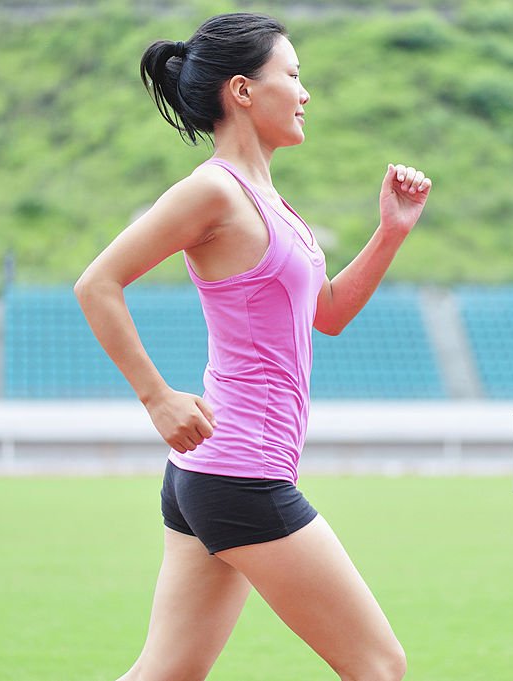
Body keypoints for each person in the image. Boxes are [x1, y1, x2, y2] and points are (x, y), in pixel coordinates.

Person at [73, 12, 431, 681]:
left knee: (167, 672)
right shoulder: (214, 189)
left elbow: (326, 314)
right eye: (291, 75)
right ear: (241, 90)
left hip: (215, 474)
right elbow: (98, 283)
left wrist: (390, 233)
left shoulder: (271, 200)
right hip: (241, 472)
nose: (305, 92)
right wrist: (157, 397)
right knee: (380, 665)